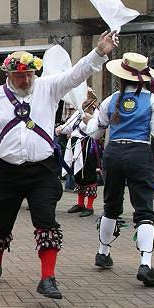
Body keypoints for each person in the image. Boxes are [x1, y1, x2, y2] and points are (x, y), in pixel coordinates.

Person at [0, 31, 117, 299]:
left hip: (42, 170)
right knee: (1, 223)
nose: (26, 79)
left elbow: (75, 74)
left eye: (29, 73)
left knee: (46, 222)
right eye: (20, 75)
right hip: (6, 170)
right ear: (8, 74)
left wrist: (99, 52)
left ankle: (48, 278)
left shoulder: (48, 86)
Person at [87, 52, 154, 287]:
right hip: (139, 154)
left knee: (111, 205)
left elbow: (95, 132)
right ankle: (145, 264)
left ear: (121, 77)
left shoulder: (111, 99)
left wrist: (87, 124)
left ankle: (103, 252)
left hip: (113, 153)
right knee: (144, 209)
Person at [57, 90, 101, 218]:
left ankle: (90, 206)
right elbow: (69, 125)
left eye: (86, 99)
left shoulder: (96, 114)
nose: (83, 102)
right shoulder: (78, 112)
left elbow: (93, 130)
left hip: (87, 146)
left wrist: (87, 119)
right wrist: (61, 129)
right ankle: (80, 203)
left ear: (92, 101)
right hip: (75, 145)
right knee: (78, 174)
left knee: (88, 174)